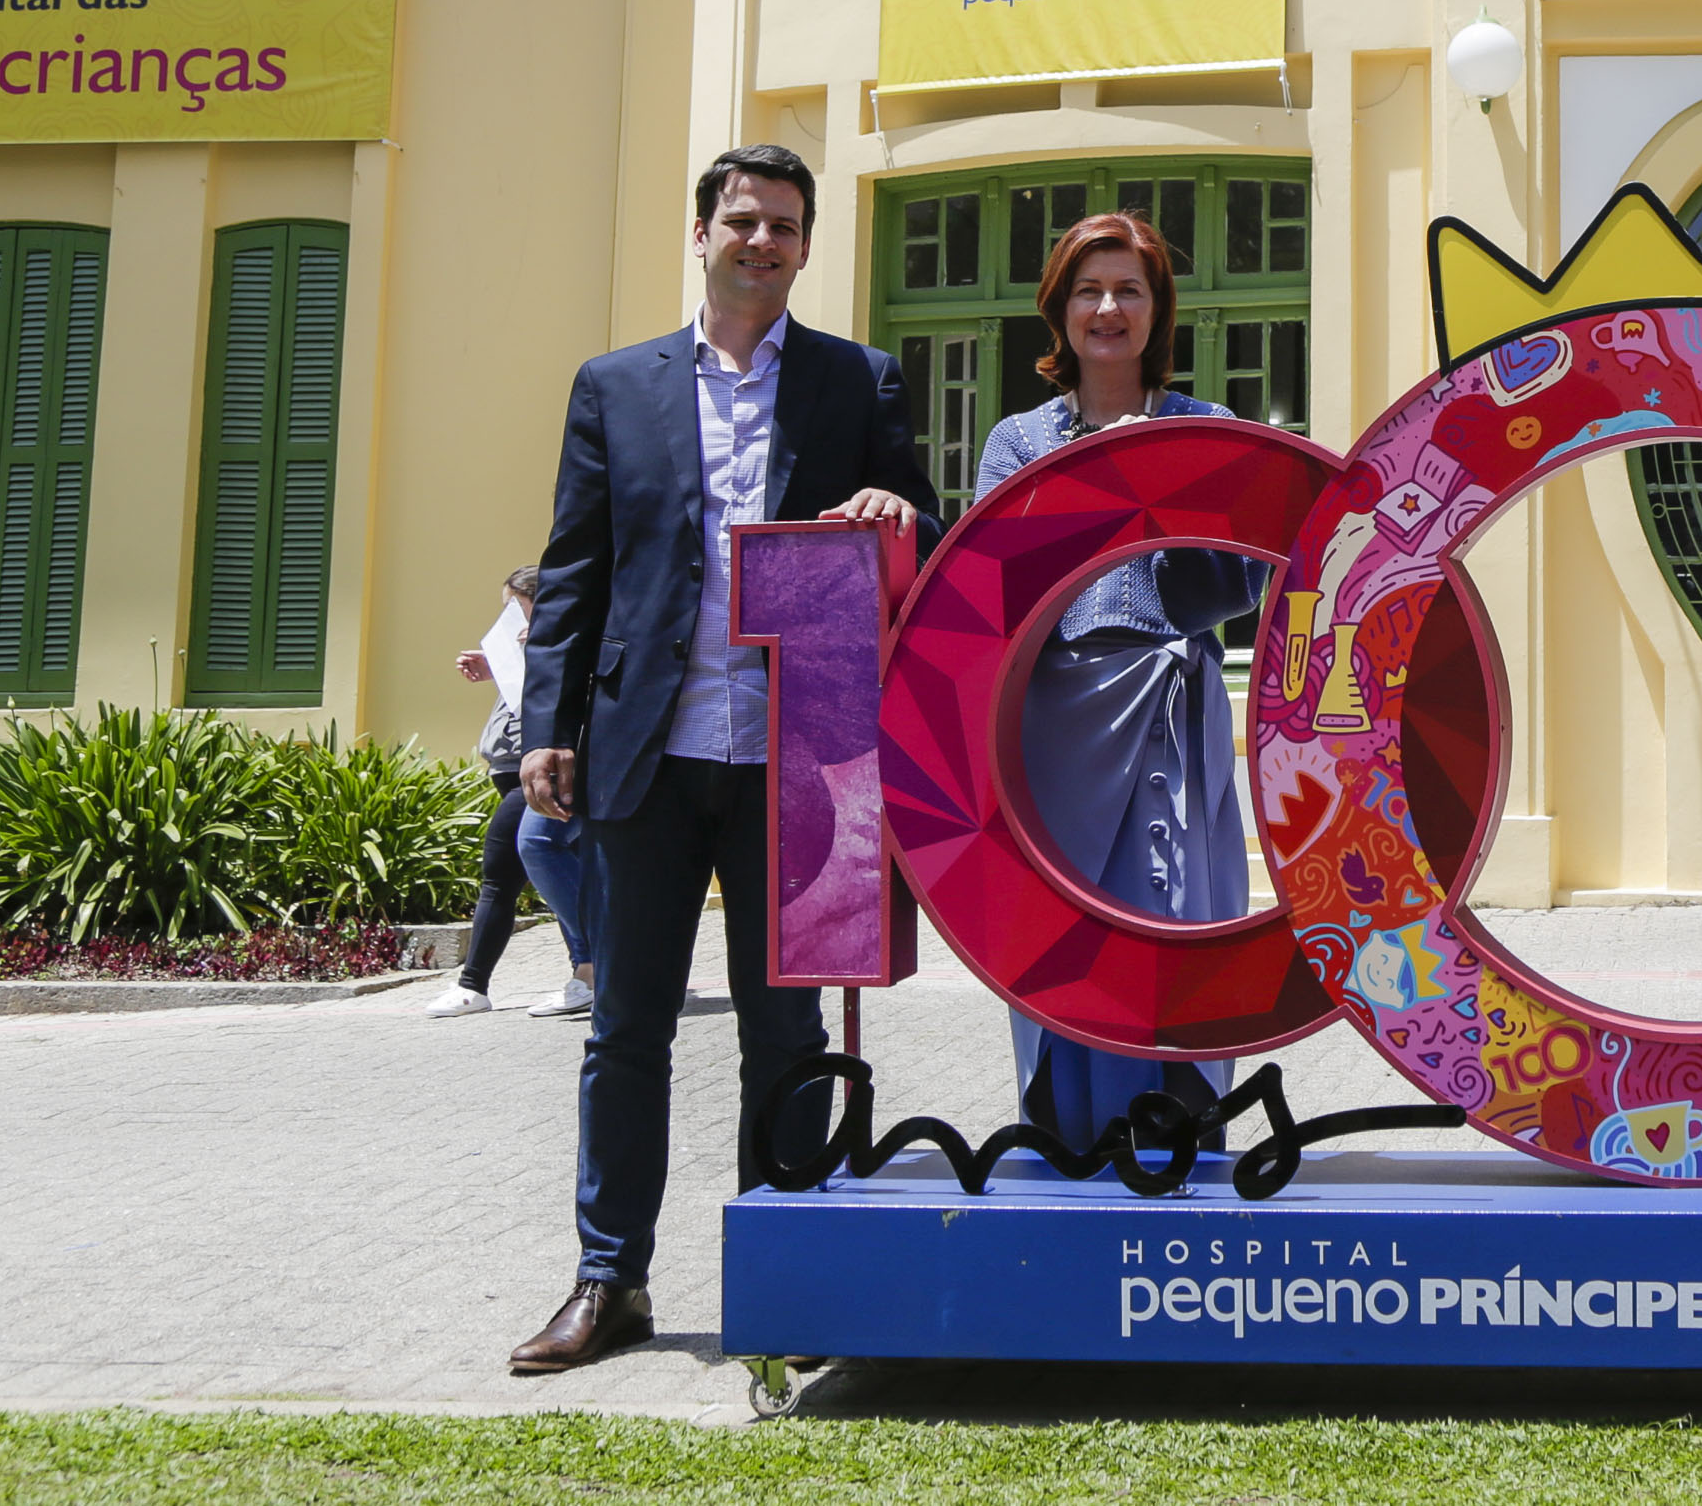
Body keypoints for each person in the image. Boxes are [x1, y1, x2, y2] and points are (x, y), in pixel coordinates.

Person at [506, 144, 939, 1376]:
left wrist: (893, 509)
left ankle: (787, 1269)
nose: (764, 242)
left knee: (784, 1029)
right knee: (627, 1031)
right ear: (700, 233)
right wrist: (548, 724)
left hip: (798, 759)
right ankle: (610, 1280)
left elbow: (920, 519)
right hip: (647, 751)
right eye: (743, 220)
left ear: (806, 247)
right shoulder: (616, 386)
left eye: (786, 227)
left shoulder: (859, 381)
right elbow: (577, 564)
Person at [967, 212, 1266, 1147]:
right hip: (1056, 717)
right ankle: (1071, 1140)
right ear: (1058, 310)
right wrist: (1105, 483)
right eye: (1089, 290)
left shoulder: (1206, 427)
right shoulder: (1017, 441)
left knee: (1172, 909)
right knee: (1063, 925)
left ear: (1156, 309)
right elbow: (991, 591)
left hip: (1171, 705)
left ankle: (1179, 1132)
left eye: (1129, 289)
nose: (1108, 308)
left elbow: (1243, 571)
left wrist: (1166, 484)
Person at [425, 567, 604, 1021]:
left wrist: (540, 654)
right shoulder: (532, 646)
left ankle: (477, 984)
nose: (508, 619)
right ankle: (588, 971)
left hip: (556, 769)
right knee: (547, 866)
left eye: (514, 607)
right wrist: (502, 666)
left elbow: (570, 697)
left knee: (522, 857)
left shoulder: (570, 636)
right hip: (513, 772)